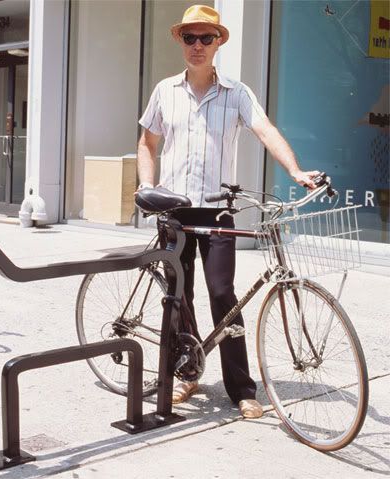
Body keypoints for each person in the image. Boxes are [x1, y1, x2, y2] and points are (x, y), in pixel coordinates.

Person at [136, 5, 319, 418]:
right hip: (175, 211)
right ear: (180, 41)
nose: (197, 46)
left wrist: (294, 169)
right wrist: (147, 186)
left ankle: (241, 389)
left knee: (224, 296)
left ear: (218, 42)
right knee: (178, 296)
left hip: (218, 213)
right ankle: (186, 374)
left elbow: (265, 129)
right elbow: (147, 143)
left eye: (206, 38)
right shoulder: (165, 91)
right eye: (190, 38)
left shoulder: (237, 93)